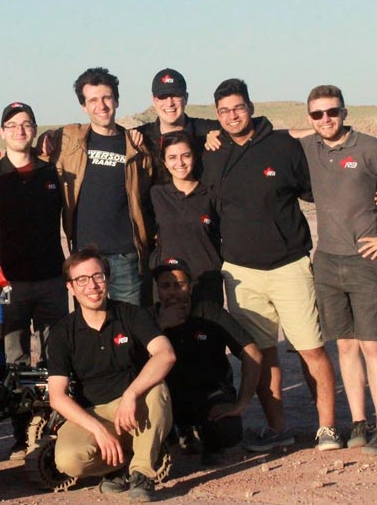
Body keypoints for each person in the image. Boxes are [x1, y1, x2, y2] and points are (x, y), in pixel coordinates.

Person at [201, 78, 341, 452]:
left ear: (251, 106)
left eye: (238, 107)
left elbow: (319, 190)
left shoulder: (282, 145)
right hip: (241, 272)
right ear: (217, 115)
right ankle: (277, 428)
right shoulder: (213, 152)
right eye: (224, 111)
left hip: (289, 265)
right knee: (262, 354)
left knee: (310, 348)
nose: (232, 115)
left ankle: (327, 428)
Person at [0, 101, 67, 459]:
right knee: (14, 361)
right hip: (10, 284)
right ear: (1, 132)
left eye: (26, 124)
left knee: (54, 357)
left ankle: (51, 427)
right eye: (12, 125)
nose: (20, 131)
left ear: (34, 129)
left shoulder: (50, 174)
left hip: (51, 279)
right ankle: (20, 431)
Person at [48, 247, 175, 501]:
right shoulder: (62, 332)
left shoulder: (131, 315)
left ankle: (142, 473)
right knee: (68, 460)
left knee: (156, 391)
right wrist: (98, 430)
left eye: (98, 277)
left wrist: (131, 394)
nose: (92, 286)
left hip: (134, 408)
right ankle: (118, 465)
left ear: (107, 280)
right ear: (71, 288)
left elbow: (165, 354)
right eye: (81, 280)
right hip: (93, 413)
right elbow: (57, 396)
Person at [298, 85, 377, 451]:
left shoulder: (368, 148)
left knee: (373, 346)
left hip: (365, 261)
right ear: (309, 117)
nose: (325, 119)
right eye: (317, 114)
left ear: (345, 112)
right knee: (345, 346)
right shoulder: (308, 149)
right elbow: (271, 136)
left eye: (331, 112)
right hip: (327, 261)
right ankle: (359, 423)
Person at [43, 67, 155, 306]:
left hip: (127, 256)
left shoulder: (135, 147)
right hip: (85, 258)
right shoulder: (70, 142)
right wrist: (45, 138)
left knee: (130, 325)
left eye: (106, 97)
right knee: (92, 328)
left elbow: (148, 195)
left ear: (116, 100)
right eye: (93, 100)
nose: (101, 105)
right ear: (84, 106)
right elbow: (40, 158)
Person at [152, 257, 261, 464]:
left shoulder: (210, 312)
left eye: (179, 284)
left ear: (190, 287)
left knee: (227, 431)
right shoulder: (150, 317)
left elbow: (253, 353)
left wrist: (241, 404)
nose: (173, 291)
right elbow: (132, 364)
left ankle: (209, 441)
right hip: (168, 399)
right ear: (157, 289)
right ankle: (175, 436)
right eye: (166, 286)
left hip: (209, 395)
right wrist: (161, 327)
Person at [150, 131, 222, 303]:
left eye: (186, 156)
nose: (180, 163)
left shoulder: (210, 193)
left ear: (194, 158)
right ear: (164, 162)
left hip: (207, 280)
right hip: (169, 283)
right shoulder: (156, 194)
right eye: (172, 157)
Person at [135, 68, 219, 170]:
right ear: (153, 100)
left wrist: (223, 135)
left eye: (175, 96)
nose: (170, 103)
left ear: (186, 98)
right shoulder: (141, 137)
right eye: (163, 97)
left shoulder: (207, 131)